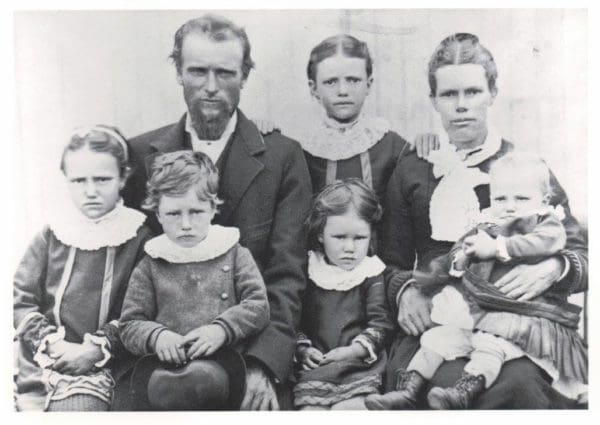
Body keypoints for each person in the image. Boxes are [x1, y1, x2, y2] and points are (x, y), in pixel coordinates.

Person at [367, 33, 588, 409]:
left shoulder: (523, 168)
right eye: (449, 95)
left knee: (518, 385)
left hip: (517, 320)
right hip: (439, 314)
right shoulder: (414, 168)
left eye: (473, 92)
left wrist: (553, 266)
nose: (462, 106)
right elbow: (389, 259)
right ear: (434, 100)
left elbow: (579, 248)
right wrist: (406, 292)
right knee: (436, 382)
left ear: (492, 93)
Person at [120, 14, 312, 410]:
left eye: (225, 73)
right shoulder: (140, 156)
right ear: (178, 72)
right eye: (197, 71)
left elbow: (286, 273)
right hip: (160, 364)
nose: (210, 87)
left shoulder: (282, 157)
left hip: (250, 353)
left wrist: (263, 365)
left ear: (244, 76)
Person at [365, 153, 587, 410]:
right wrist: (456, 263)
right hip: (469, 309)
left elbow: (561, 246)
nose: (510, 206)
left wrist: (545, 262)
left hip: (524, 315)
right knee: (437, 341)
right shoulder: (482, 218)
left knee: (498, 357)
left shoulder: (545, 219)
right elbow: (404, 259)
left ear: (545, 200)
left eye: (521, 199)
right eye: (500, 198)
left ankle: (463, 392)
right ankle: (408, 391)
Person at [13, 126, 152, 411]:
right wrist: (50, 344)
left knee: (81, 407)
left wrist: (96, 349)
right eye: (79, 181)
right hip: (46, 361)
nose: (91, 192)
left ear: (123, 177)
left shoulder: (138, 236)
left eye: (102, 179)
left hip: (110, 364)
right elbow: (22, 298)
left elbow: (138, 310)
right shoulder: (53, 233)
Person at [119, 151, 270, 410]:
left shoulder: (233, 252)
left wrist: (222, 329)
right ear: (158, 214)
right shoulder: (151, 263)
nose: (186, 224)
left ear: (213, 208)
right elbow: (130, 324)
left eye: (196, 212)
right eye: (174, 214)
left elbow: (258, 305)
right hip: (168, 376)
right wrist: (158, 336)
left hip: (227, 368)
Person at [294, 179, 394, 410]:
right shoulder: (310, 269)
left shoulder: (370, 273)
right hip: (317, 369)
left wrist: (353, 350)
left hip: (359, 368)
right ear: (320, 234)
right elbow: (296, 320)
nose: (349, 248)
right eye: (339, 237)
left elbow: (381, 324)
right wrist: (303, 349)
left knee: (352, 411)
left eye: (359, 238)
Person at [302, 35, 408, 244]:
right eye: (331, 82)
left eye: (353, 80)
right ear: (313, 88)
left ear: (368, 84)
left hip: (381, 269)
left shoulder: (393, 146)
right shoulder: (301, 151)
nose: (343, 91)